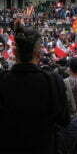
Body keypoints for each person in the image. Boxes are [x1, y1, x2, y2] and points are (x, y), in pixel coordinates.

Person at [0, 23, 70, 153]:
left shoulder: (2, 81)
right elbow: (64, 120)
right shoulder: (53, 82)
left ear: (14, 52)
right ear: (38, 54)